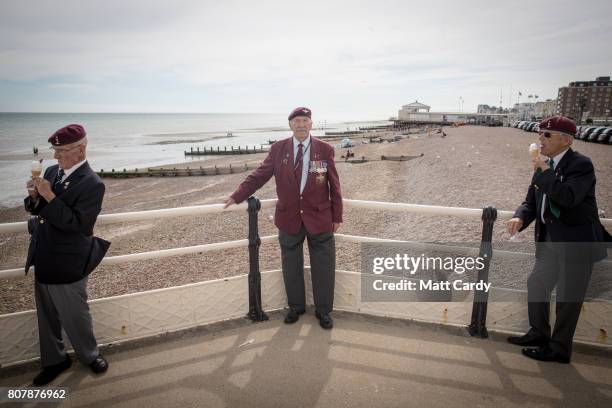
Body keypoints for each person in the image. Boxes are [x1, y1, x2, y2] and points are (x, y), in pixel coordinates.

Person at [224, 107, 342, 329]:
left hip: (320, 218)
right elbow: (260, 175)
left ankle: (323, 311)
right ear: (290, 125)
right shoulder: (278, 149)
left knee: (324, 266)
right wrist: (237, 195)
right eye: (296, 120)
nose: (300, 124)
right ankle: (296, 307)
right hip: (289, 218)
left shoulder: (325, 150)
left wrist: (337, 216)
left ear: (311, 124)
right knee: (291, 266)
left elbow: (334, 185)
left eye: (305, 120)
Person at [506, 116, 608, 363]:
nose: (540, 138)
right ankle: (539, 333)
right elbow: (530, 201)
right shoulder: (545, 163)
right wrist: (520, 217)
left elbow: (568, 196)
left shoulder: (580, 164)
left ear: (565, 139)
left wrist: (542, 169)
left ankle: (559, 349)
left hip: (576, 242)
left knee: (568, 297)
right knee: (537, 284)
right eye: (539, 134)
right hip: (550, 241)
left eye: (546, 134)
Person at [25, 124, 110, 385]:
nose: (55, 156)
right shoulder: (52, 171)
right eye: (54, 150)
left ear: (80, 149)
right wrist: (33, 197)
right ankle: (55, 361)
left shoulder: (93, 184)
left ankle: (89, 355)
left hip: (69, 258)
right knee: (46, 315)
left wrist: (49, 196)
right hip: (43, 253)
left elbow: (79, 226)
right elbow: (34, 210)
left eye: (61, 150)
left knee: (76, 314)